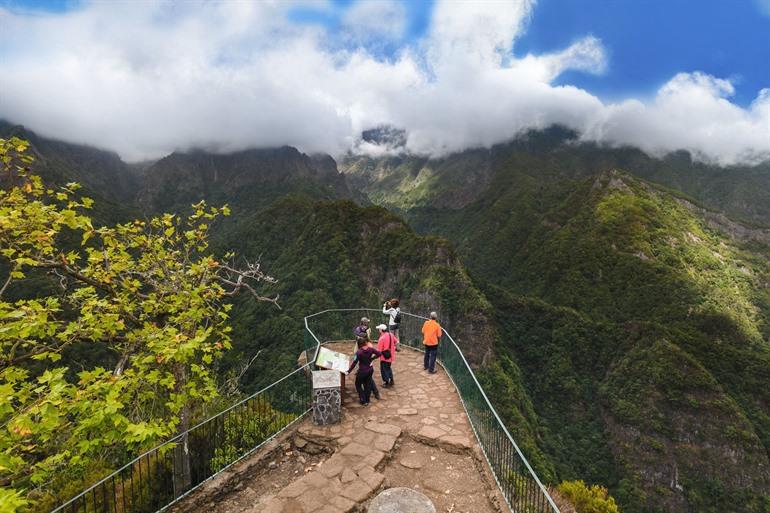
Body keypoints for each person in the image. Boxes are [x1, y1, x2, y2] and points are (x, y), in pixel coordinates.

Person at [347, 337, 381, 405]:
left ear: (359, 344)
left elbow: (354, 362)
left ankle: (362, 399)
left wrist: (349, 371)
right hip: (370, 369)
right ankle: (367, 400)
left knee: (358, 384)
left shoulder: (359, 352)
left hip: (362, 371)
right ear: (365, 343)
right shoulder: (371, 349)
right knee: (368, 385)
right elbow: (379, 354)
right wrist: (372, 358)